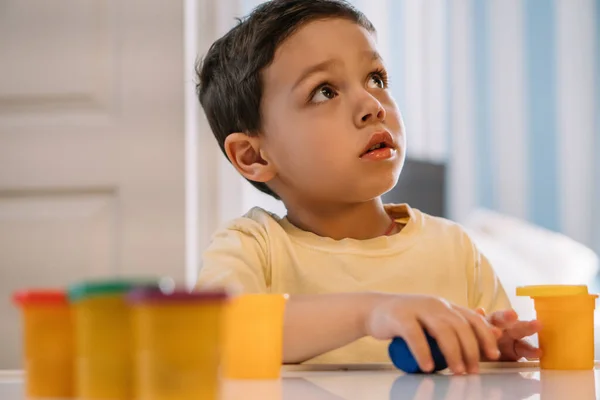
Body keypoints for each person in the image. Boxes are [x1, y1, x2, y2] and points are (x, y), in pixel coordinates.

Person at [195, 0, 541, 374]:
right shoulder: (253, 247)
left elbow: (482, 375)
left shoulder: (454, 249)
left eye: (375, 78)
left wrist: (491, 348)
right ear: (253, 156)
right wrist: (372, 312)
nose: (372, 104)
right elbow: (218, 334)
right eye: (324, 91)